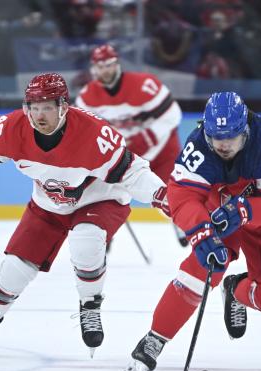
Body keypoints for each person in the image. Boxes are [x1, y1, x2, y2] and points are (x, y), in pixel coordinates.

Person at [0, 73, 169, 357]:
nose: (39, 114)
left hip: (101, 197)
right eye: (33, 106)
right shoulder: (12, 129)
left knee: (86, 240)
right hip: (48, 204)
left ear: (64, 107)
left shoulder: (93, 134)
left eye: (47, 106)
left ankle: (90, 304)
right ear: (25, 108)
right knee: (14, 268)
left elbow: (133, 172)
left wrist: (162, 196)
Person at [125, 92, 261, 371]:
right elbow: (181, 196)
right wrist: (200, 231)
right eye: (216, 136)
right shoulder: (198, 145)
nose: (223, 144)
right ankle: (156, 337)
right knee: (202, 267)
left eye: (231, 136)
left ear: (245, 129)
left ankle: (237, 291)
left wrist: (246, 210)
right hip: (219, 207)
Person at [75, 44, 187, 246]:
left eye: (108, 65)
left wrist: (148, 138)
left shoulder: (144, 85)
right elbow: (87, 134)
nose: (104, 71)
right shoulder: (86, 98)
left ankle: (185, 225)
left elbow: (173, 114)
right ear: (93, 68)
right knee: (103, 195)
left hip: (162, 150)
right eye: (100, 66)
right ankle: (102, 230)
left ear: (117, 64)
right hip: (124, 154)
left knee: (172, 191)